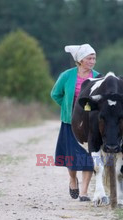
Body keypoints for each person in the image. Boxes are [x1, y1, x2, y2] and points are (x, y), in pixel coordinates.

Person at [50, 44, 99, 202]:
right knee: (71, 158)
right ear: (80, 60)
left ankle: (84, 192)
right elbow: (55, 94)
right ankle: (73, 180)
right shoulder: (67, 75)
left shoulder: (98, 76)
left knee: (88, 158)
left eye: (94, 58)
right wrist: (67, 107)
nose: (92, 61)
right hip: (70, 122)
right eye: (89, 58)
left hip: (90, 124)